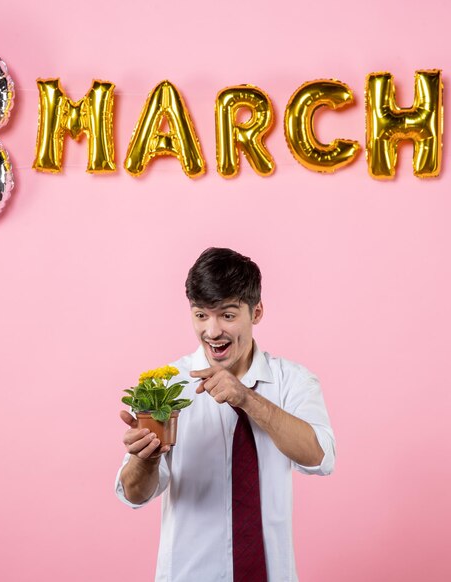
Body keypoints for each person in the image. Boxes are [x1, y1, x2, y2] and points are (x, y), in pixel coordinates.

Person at [115, 247, 335, 582]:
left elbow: (320, 457)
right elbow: (134, 495)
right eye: (201, 315)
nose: (213, 331)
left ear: (256, 312)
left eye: (227, 315)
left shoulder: (294, 381)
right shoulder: (164, 387)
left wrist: (247, 398)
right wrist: (145, 458)